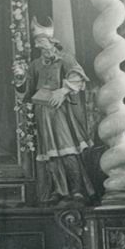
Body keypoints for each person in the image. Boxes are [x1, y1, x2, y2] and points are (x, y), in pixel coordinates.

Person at [18, 20, 95, 203]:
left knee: (67, 149)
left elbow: (77, 75)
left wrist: (62, 91)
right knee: (50, 153)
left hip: (60, 110)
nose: (38, 45)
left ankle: (77, 189)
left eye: (41, 41)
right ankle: (59, 190)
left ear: (51, 41)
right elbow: (28, 91)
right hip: (42, 111)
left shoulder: (65, 58)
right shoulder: (35, 65)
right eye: (36, 42)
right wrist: (20, 79)